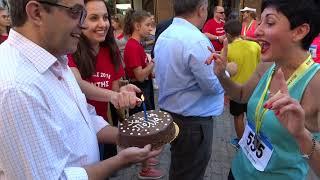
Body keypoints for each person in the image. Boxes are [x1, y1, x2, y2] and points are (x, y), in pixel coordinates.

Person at [0, 0, 162, 179]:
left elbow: (83, 117)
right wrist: (120, 160)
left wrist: (128, 137)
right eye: (76, 12)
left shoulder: (56, 60)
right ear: (36, 13)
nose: (84, 24)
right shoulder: (17, 88)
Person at [206, 0, 320, 179]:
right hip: (238, 171)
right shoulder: (267, 65)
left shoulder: (316, 84)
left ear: (300, 31)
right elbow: (242, 94)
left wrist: (301, 134)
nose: (257, 31)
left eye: (270, 22)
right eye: (260, 22)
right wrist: (221, 75)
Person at [154, 0, 225, 179]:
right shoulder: (196, 40)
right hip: (193, 123)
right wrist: (226, 71)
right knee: (189, 172)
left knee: (180, 167)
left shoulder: (165, 34)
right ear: (201, 10)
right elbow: (212, 86)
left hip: (172, 115)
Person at [67, 0, 125, 165]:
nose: (102, 24)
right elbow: (77, 83)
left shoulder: (110, 50)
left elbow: (115, 89)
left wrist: (124, 91)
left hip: (100, 127)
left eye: (105, 17)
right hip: (75, 132)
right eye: (93, 18)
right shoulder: (70, 49)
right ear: (79, 20)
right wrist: (114, 95)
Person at [123, 9, 163, 179]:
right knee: (144, 129)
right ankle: (145, 169)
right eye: (147, 25)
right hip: (139, 90)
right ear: (137, 26)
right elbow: (139, 75)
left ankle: (146, 158)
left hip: (143, 88)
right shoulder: (133, 46)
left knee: (146, 126)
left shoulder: (137, 45)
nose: (150, 28)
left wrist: (149, 68)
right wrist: (153, 63)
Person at [223, 20, 261, 148]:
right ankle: (254, 143)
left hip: (237, 91)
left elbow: (225, 72)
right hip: (255, 89)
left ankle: (242, 143)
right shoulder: (255, 46)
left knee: (238, 117)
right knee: (253, 118)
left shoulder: (227, 49)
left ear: (227, 34)